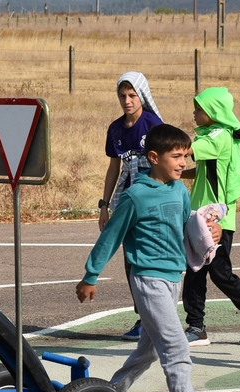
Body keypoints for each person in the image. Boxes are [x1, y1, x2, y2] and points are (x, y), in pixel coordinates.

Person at [77, 123, 222, 392]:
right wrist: (91, 275)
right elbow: (111, 237)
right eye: (176, 156)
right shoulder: (135, 196)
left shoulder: (179, 192)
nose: (183, 162)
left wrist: (210, 234)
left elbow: (187, 229)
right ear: (154, 157)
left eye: (186, 155)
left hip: (174, 278)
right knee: (176, 347)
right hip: (147, 279)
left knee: (149, 351)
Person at [181, 87, 240, 347]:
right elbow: (201, 170)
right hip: (200, 215)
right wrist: (177, 173)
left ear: (212, 112)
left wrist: (163, 145)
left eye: (199, 108)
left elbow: (186, 149)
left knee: (220, 272)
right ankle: (196, 326)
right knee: (194, 270)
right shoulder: (212, 136)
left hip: (216, 217)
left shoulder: (218, 136)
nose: (194, 112)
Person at [100, 72, 164, 342]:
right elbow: (114, 167)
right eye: (122, 95)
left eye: (132, 95)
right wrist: (104, 205)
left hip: (151, 199)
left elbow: (165, 164)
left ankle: (157, 316)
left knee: (151, 257)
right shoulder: (115, 129)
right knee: (130, 260)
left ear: (142, 96)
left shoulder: (153, 125)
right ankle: (143, 317)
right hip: (127, 200)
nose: (126, 100)